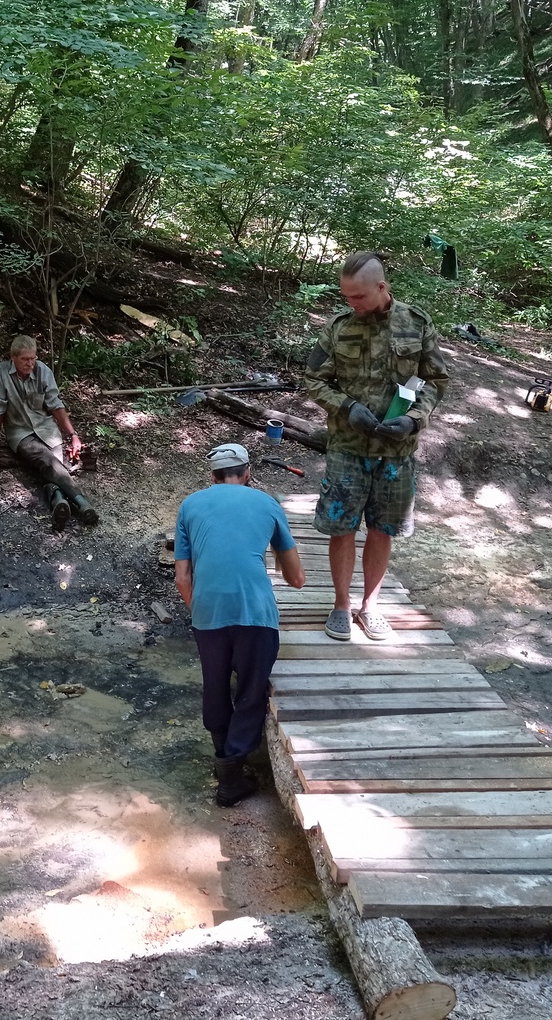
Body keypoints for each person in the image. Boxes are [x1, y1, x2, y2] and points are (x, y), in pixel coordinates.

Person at [302, 251, 449, 642]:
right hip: (347, 447)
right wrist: (347, 406)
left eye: (359, 297)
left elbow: (435, 380)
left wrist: (415, 419)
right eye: (346, 297)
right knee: (342, 528)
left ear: (382, 287)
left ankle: (370, 605)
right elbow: (314, 380)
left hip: (396, 453)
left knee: (383, 530)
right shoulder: (337, 327)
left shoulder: (416, 324)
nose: (352, 304)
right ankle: (341, 606)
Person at [174, 443, 305, 806]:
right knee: (251, 688)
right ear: (247, 473)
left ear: (212, 476)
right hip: (255, 615)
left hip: (207, 612)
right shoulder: (266, 504)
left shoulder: (190, 505)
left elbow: (183, 579)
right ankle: (232, 772)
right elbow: (297, 579)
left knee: (215, 684)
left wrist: (201, 611)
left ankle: (224, 758)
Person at [0, 334, 99, 529]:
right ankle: (82, 502)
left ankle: (58, 500)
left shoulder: (44, 371)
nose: (30, 363)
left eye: (33, 358)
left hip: (47, 429)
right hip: (20, 432)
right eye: (25, 359)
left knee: (55, 464)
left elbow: (56, 406)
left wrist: (72, 435)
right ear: (13, 357)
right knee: (47, 460)